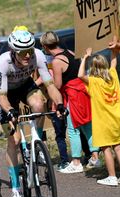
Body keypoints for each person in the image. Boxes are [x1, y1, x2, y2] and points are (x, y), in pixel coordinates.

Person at [0, 30, 65, 197]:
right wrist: (11, 111)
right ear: (13, 51)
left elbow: (50, 85)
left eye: (30, 50)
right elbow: (2, 97)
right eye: (22, 52)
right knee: (15, 140)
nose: (27, 55)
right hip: (6, 95)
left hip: (25, 86)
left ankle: (37, 142)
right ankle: (16, 190)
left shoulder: (38, 55)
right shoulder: (3, 62)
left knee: (39, 104)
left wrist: (60, 103)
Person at [40, 31, 100, 173]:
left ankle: (76, 162)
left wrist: (47, 81)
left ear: (45, 46)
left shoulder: (56, 61)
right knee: (87, 126)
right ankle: (95, 157)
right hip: (83, 91)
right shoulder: (70, 52)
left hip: (73, 95)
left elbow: (58, 85)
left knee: (73, 130)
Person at [78, 46, 120, 186]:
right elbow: (114, 63)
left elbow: (80, 75)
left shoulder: (94, 81)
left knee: (106, 148)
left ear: (93, 68)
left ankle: (112, 177)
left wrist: (84, 58)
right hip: (117, 120)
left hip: (103, 121)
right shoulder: (113, 75)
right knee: (118, 147)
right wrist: (114, 50)